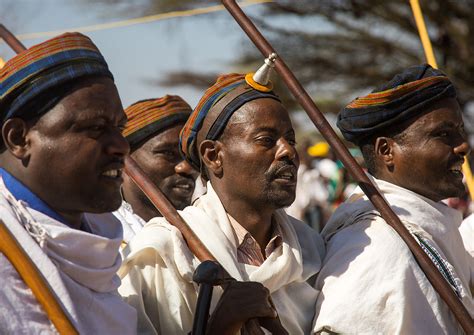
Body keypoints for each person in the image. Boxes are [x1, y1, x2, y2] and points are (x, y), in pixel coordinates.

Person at [119, 65, 325, 334]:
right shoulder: (161, 253)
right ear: (214, 156)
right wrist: (220, 326)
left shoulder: (313, 249)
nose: (287, 151)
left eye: (290, 140)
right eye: (266, 140)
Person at [313, 64, 474, 334]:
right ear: (387, 150)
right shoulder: (374, 247)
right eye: (444, 134)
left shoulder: (425, 225)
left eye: (460, 130)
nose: (463, 145)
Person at [0, 32, 137, 334]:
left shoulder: (99, 240)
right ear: (19, 139)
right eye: (96, 127)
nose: (121, 146)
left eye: (119, 127)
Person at [114, 95, 198, 243]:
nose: (186, 167)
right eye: (168, 153)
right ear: (125, 161)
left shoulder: (212, 230)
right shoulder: (104, 236)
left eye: (192, 154)